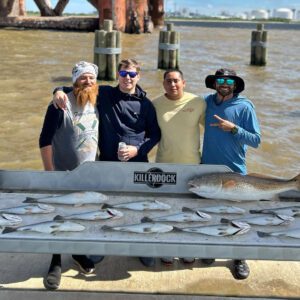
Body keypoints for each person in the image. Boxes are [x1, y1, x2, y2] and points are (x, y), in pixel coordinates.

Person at [53, 58, 161, 267]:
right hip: (108, 163)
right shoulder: (105, 94)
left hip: (137, 164)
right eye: (123, 74)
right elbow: (77, 86)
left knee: (139, 208)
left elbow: (155, 134)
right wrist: (57, 90)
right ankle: (101, 246)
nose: (127, 78)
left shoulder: (146, 104)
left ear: (138, 76)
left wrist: (137, 149)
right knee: (107, 206)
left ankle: (141, 247)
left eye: (131, 74)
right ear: (117, 76)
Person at [39, 61, 100, 290]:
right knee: (58, 216)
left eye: (91, 78)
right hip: (61, 172)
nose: (87, 82)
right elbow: (44, 140)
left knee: (82, 214)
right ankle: (55, 260)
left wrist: (59, 88)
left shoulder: (97, 100)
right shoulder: (59, 105)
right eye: (83, 78)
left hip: (88, 173)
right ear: (74, 81)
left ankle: (76, 251)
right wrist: (49, 173)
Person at [201, 68, 261, 279]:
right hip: (207, 169)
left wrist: (234, 128)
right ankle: (212, 251)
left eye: (229, 80)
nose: (224, 83)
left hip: (235, 171)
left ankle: (239, 257)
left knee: (238, 216)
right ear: (214, 83)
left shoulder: (245, 106)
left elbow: (256, 140)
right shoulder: (206, 102)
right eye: (220, 80)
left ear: (235, 85)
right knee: (210, 215)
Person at [152, 69, 206, 265]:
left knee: (190, 212)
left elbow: (214, 128)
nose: (172, 85)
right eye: (168, 81)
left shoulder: (198, 102)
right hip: (163, 166)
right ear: (163, 83)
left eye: (176, 81)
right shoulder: (155, 104)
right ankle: (167, 248)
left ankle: (188, 248)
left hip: (192, 165)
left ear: (184, 82)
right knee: (166, 210)